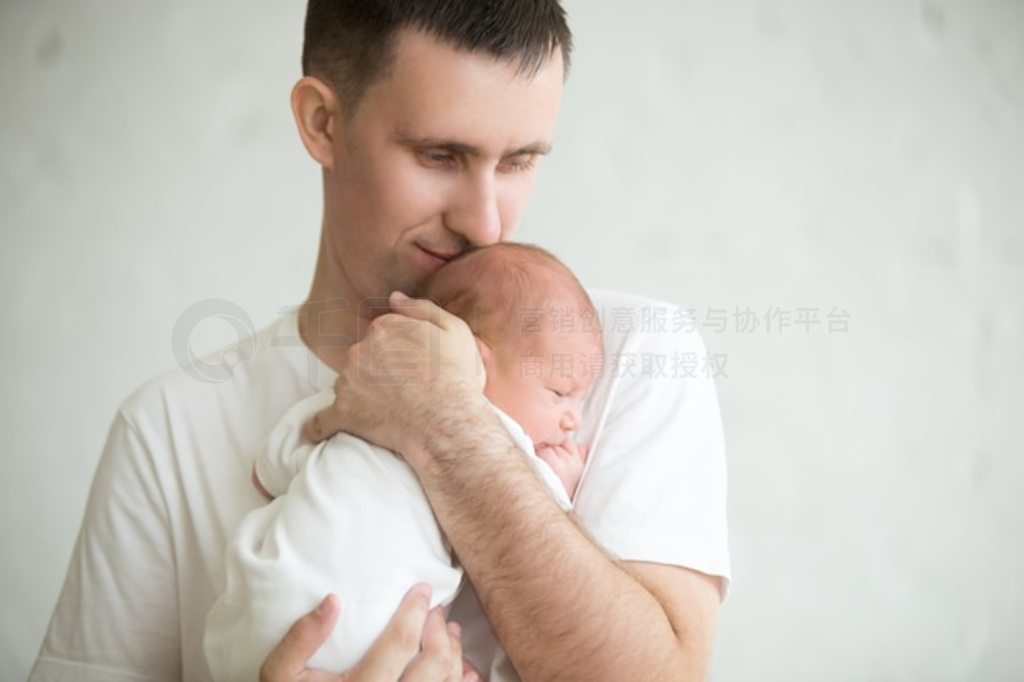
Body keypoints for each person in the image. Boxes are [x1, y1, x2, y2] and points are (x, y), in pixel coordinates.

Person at [30, 2, 730, 681]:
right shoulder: (167, 430)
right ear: (322, 121)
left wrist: (446, 424)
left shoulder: (622, 356)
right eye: (440, 155)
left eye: (518, 161)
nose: (486, 224)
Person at [203, 243, 600, 681]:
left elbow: (273, 466)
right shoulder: (505, 447)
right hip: (363, 636)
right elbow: (536, 527)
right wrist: (561, 484)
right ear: (478, 363)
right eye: (560, 392)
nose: (574, 419)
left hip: (246, 618)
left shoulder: (350, 399)